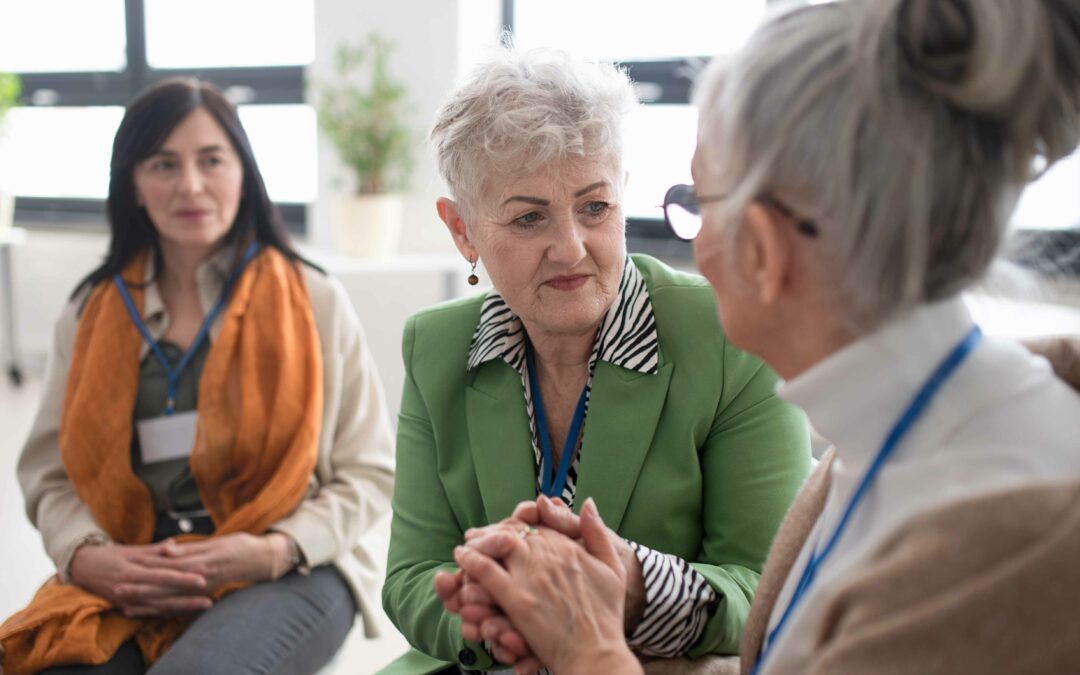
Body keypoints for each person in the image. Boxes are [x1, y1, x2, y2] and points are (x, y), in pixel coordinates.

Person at [452, 0, 1080, 673]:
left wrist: (591, 648)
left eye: (697, 203)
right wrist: (629, 592)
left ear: (761, 246)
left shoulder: (994, 535)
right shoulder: (890, 440)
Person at [379, 47, 812, 674]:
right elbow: (413, 574)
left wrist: (629, 591)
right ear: (462, 230)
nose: (571, 248)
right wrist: (507, 621)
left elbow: (768, 586)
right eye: (529, 218)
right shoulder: (435, 347)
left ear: (623, 196)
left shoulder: (729, 337)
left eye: (595, 207)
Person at [0, 78, 395, 674]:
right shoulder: (91, 310)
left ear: (244, 172)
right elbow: (48, 475)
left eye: (211, 160)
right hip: (131, 569)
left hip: (289, 566)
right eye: (163, 164)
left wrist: (273, 551)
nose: (190, 185)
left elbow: (369, 472)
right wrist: (84, 556)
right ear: (132, 183)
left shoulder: (312, 298)